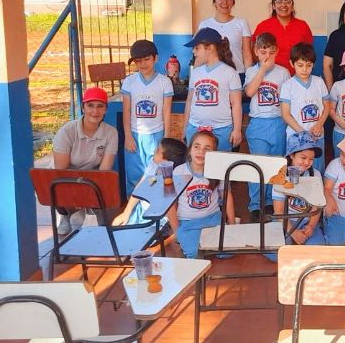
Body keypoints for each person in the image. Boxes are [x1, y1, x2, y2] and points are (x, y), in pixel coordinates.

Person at [51, 86, 118, 234]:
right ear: (83, 107)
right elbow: (61, 170)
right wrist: (78, 194)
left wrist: (87, 194)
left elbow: (104, 171)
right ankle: (64, 214)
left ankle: (89, 210)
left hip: (91, 178)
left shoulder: (111, 133)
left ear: (106, 109)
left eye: (100, 106)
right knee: (58, 188)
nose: (95, 111)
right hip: (67, 177)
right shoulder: (67, 132)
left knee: (98, 227)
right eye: (90, 106)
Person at [168, 130, 237, 259]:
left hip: (213, 219)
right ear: (190, 150)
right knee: (194, 254)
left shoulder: (217, 171)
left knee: (227, 253)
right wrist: (176, 230)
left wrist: (232, 224)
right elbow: (170, 204)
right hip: (188, 223)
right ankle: (192, 242)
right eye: (197, 147)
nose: (201, 152)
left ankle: (210, 241)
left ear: (213, 154)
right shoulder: (179, 172)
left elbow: (227, 196)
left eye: (207, 148)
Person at [244, 33, 290, 220]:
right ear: (256, 52)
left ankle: (271, 201)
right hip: (258, 123)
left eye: (272, 52)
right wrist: (262, 70)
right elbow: (249, 92)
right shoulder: (251, 71)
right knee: (258, 165)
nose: (267, 56)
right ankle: (256, 204)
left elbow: (288, 99)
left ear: (277, 52)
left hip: (278, 122)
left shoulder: (283, 72)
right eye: (263, 52)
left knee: (276, 164)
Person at [122, 40, 174, 191]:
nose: (143, 64)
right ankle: (134, 212)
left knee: (156, 175)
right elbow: (127, 110)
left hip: (156, 135)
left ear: (155, 58)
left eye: (147, 59)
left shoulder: (164, 82)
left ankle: (154, 210)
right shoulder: (129, 82)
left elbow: (166, 111)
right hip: (135, 135)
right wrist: (128, 136)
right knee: (134, 176)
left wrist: (166, 138)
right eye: (138, 61)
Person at [179, 28, 243, 151]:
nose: (194, 52)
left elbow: (236, 104)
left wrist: (237, 130)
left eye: (197, 48)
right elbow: (189, 102)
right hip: (195, 128)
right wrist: (185, 128)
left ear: (210, 48)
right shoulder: (196, 72)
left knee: (220, 167)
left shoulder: (229, 72)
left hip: (221, 130)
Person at [279, 42, 331, 172]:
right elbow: (285, 114)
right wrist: (302, 133)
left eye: (308, 65)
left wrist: (319, 125)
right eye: (300, 65)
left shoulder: (319, 82)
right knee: (296, 170)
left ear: (313, 65)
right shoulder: (287, 85)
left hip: (317, 135)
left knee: (317, 170)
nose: (304, 69)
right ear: (292, 64)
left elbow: (327, 106)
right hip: (296, 136)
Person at [112, 137, 187, 226]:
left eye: (157, 150)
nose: (153, 152)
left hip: (160, 220)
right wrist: (126, 213)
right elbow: (141, 188)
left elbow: (171, 212)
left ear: (167, 161)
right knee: (116, 226)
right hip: (141, 210)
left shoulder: (174, 182)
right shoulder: (154, 164)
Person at [272, 131, 326, 247]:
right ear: (291, 155)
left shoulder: (315, 174)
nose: (307, 163)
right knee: (275, 253)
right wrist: (293, 232)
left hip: (306, 220)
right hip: (284, 219)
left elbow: (317, 205)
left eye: (311, 159)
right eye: (303, 157)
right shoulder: (280, 175)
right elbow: (279, 210)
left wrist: (311, 226)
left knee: (317, 251)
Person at [252, 0, 313, 74]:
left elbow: (309, 53)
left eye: (287, 2)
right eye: (279, 2)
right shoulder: (263, 26)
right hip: (271, 76)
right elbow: (254, 52)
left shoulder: (303, 26)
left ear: (292, 5)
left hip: (297, 76)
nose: (283, 5)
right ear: (273, 6)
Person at [198, 0, 253, 74]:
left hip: (237, 73)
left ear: (233, 2)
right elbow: (200, 55)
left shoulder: (241, 23)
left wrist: (249, 76)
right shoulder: (204, 25)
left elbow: (247, 54)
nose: (225, 2)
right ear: (214, 1)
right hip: (212, 75)